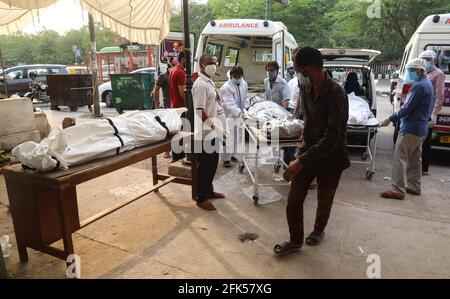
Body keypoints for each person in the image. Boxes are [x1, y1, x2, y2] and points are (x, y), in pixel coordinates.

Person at [274, 46, 350, 256]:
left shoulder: (337, 93)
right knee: (294, 200)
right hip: (308, 150)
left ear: (308, 69)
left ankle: (318, 230)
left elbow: (333, 136)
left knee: (324, 199)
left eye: (299, 71)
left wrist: (301, 160)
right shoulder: (306, 89)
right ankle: (295, 241)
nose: (298, 76)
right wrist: (303, 136)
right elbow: (308, 116)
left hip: (331, 155)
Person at [380, 58, 435, 200]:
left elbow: (406, 107)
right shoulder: (427, 83)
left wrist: (391, 118)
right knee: (415, 159)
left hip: (411, 128)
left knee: (400, 158)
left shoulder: (419, 86)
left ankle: (398, 189)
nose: (410, 73)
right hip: (421, 129)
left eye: (412, 70)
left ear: (421, 71)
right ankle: (414, 186)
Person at [192, 54, 225, 211]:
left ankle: (209, 190)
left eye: (215, 62)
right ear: (202, 66)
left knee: (212, 164)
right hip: (206, 132)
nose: (214, 64)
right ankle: (201, 197)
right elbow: (199, 110)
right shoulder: (200, 85)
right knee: (204, 166)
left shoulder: (209, 82)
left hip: (214, 130)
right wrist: (212, 126)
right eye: (210, 63)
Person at [419, 50, 446, 176]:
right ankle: (417, 166)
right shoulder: (422, 72)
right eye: (423, 58)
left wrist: (434, 114)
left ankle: (424, 168)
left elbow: (440, 96)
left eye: (428, 58)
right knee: (418, 139)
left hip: (428, 112)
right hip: (420, 110)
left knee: (426, 141)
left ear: (433, 60)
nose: (425, 61)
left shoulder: (438, 74)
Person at [264, 61, 294, 166]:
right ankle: (275, 158)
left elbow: (286, 101)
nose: (269, 72)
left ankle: (288, 160)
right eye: (268, 70)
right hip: (271, 113)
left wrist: (281, 118)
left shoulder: (283, 83)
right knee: (273, 137)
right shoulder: (266, 81)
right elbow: (267, 97)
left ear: (277, 71)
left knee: (285, 139)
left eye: (272, 70)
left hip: (283, 113)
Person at [220, 65, 248, 167]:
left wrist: (244, 110)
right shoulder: (226, 87)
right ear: (231, 76)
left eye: (239, 76)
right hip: (229, 115)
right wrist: (239, 112)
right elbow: (229, 103)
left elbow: (245, 98)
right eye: (235, 76)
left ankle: (231, 155)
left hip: (239, 115)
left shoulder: (243, 84)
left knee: (236, 137)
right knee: (228, 137)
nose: (237, 78)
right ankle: (225, 159)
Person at [169, 49, 187, 161]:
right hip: (180, 107)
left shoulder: (173, 70)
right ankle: (178, 157)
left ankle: (176, 156)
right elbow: (182, 92)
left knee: (178, 133)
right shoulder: (180, 72)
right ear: (183, 59)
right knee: (181, 134)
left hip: (174, 106)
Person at [152, 65, 172, 158]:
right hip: (167, 106)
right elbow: (156, 90)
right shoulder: (163, 76)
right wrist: (157, 104)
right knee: (168, 129)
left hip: (176, 105)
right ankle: (167, 150)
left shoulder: (179, 73)